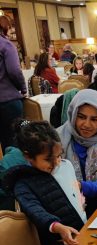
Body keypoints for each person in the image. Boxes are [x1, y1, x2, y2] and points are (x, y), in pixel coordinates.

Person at [4, 120, 86, 245]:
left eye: (58, 155)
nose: (56, 163)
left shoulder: (65, 166)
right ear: (28, 156)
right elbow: (35, 211)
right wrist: (57, 226)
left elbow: (75, 194)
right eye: (48, 159)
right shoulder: (23, 184)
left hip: (81, 234)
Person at [57, 89, 97, 217]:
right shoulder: (55, 140)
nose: (86, 124)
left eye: (94, 119)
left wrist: (79, 186)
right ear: (73, 115)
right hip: (62, 210)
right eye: (81, 117)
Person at [0, 15, 27, 153]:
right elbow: (14, 71)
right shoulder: (6, 45)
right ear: (6, 29)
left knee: (4, 142)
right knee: (15, 140)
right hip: (8, 101)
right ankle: (17, 171)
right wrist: (23, 88)